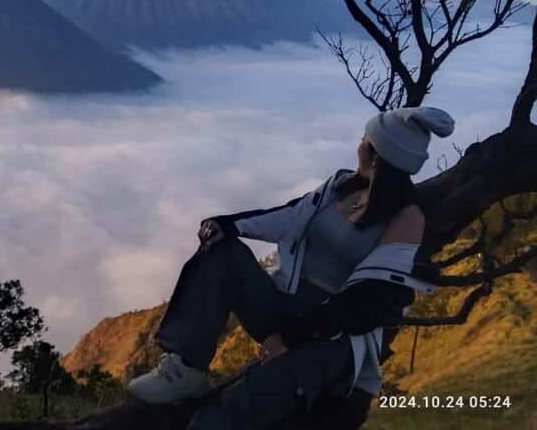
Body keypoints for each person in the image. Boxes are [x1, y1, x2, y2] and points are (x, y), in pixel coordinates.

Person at [126, 106, 454, 430]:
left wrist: (291, 338)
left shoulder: (407, 219)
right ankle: (184, 369)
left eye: (365, 139)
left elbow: (370, 301)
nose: (359, 144)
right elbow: (291, 216)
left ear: (377, 153)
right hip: (287, 307)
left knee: (230, 411)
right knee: (221, 252)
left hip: (330, 337)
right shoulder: (341, 184)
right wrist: (230, 226)